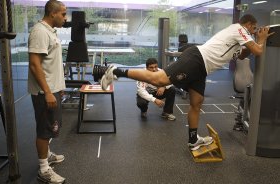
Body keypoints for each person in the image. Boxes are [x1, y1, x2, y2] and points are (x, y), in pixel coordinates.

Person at [100, 14, 273, 151]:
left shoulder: (239, 40)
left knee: (197, 103)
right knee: (158, 79)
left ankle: (193, 140)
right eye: (253, 27)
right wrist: (261, 38)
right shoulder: (239, 28)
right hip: (197, 59)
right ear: (248, 24)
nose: (254, 30)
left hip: (203, 69)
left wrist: (253, 42)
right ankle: (115, 71)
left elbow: (243, 55)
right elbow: (258, 50)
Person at [27, 0, 67, 183]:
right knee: (44, 130)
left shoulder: (50, 31)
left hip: (53, 89)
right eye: (63, 14)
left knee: (51, 126)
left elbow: (51, 65)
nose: (65, 18)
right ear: (53, 13)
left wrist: (59, 89)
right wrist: (48, 92)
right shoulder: (40, 32)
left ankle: (47, 155)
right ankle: (43, 170)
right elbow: (35, 65)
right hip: (45, 92)